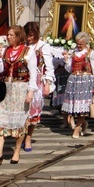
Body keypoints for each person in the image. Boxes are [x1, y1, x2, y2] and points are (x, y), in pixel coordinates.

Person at [0, 25, 38, 163]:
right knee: (0, 119)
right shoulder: (5, 50)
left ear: (18, 36)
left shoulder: (28, 52)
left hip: (20, 89)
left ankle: (16, 151)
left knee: (19, 122)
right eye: (8, 34)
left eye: (11, 35)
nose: (8, 37)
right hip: (6, 89)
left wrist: (30, 92)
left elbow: (33, 74)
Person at [60, 32, 94, 139]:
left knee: (82, 108)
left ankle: (77, 129)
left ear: (86, 43)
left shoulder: (91, 53)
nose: (78, 46)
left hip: (86, 81)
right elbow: (69, 69)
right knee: (74, 107)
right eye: (77, 43)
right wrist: (66, 60)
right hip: (73, 80)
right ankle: (83, 124)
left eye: (81, 44)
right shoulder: (73, 53)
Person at [23, 21, 54, 150]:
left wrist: (48, 83)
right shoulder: (22, 45)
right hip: (22, 79)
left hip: (36, 80)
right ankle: (21, 134)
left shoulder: (43, 46)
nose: (29, 38)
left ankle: (28, 136)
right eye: (27, 35)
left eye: (31, 35)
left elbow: (49, 66)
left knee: (32, 111)